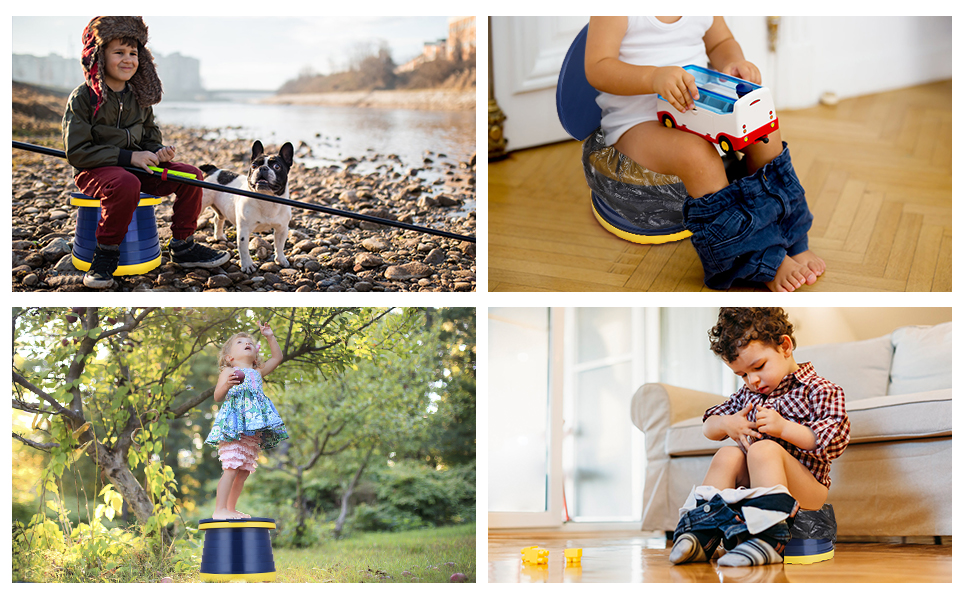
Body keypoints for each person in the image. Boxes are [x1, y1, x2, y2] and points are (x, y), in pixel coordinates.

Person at [585, 17, 826, 292]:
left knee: (764, 130)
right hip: (638, 121)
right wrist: (653, 77)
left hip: (699, 109)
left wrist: (733, 63)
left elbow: (721, 41)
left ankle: (790, 235)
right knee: (696, 154)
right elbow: (597, 68)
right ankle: (754, 259)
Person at [669, 307, 849, 566]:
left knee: (764, 449)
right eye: (742, 375)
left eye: (758, 366)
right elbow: (708, 425)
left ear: (784, 346)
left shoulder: (820, 389)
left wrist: (784, 428)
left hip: (807, 489)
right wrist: (727, 424)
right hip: (755, 484)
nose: (752, 380)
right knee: (728, 453)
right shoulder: (747, 396)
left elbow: (833, 442)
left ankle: (768, 538)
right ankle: (702, 533)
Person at [62, 16, 229, 289]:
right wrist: (129, 158)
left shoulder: (139, 97)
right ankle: (105, 255)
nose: (128, 59)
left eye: (133, 53)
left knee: (192, 175)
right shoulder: (83, 97)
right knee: (125, 182)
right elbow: (78, 152)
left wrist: (158, 152)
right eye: (119, 52)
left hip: (137, 168)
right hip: (95, 170)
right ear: (99, 56)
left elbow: (150, 138)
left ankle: (183, 246)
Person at [205, 322, 289, 520]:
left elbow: (277, 357)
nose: (247, 343)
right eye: (240, 342)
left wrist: (269, 335)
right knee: (231, 466)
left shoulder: (257, 372)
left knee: (243, 470)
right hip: (235, 425)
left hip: (253, 428)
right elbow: (217, 396)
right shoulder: (228, 371)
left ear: (255, 355)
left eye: (249, 342)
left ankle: (230, 509)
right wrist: (226, 384)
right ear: (229, 357)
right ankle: (219, 509)